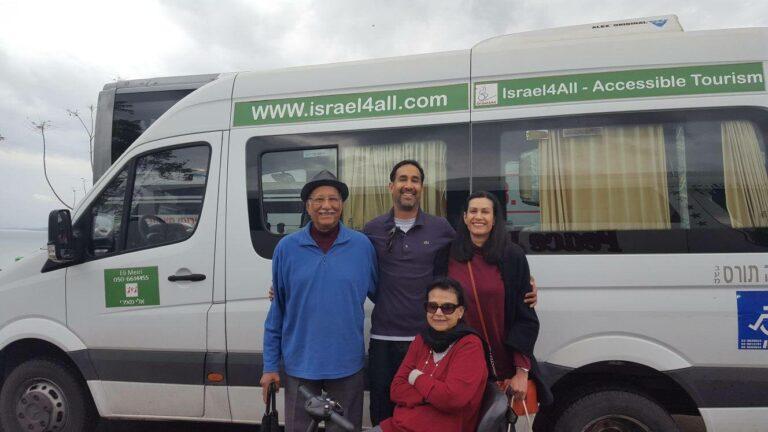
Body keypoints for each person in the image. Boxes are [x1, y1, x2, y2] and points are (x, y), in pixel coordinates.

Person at [363, 160, 539, 425]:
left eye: (415, 180)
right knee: (393, 411)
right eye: (402, 179)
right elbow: (361, 273)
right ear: (391, 186)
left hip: (448, 345)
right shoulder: (373, 230)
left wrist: (527, 283)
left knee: (453, 417)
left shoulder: (444, 231)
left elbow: (518, 307)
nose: (408, 185)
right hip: (400, 339)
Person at [260, 170, 377, 432]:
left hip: (347, 363)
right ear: (307, 206)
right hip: (300, 364)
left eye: (333, 198)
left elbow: (383, 294)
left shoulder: (362, 246)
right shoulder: (286, 249)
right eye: (319, 199)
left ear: (342, 204)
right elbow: (277, 311)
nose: (327, 205)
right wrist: (270, 366)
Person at [437, 191, 553, 408]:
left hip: (502, 366)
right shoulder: (446, 256)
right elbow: (436, 309)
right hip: (458, 363)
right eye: (473, 211)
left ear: (494, 219)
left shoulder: (512, 256)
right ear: (464, 217)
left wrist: (521, 371)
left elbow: (525, 317)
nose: (478, 216)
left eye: (485, 211)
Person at [374, 278, 489, 432]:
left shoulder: (469, 345)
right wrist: (431, 398)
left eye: (447, 308)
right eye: (432, 306)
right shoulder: (422, 339)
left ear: (460, 312)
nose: (438, 313)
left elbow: (452, 399)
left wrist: (416, 377)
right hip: (398, 426)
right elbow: (396, 389)